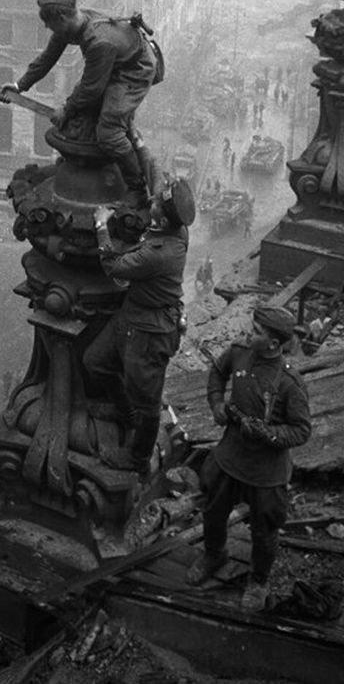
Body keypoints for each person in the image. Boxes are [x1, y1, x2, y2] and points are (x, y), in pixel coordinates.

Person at [186, 306, 311, 612]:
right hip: (229, 456)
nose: (247, 333)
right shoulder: (239, 352)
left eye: (256, 331)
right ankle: (215, 554)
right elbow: (217, 371)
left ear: (273, 343)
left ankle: (258, 580)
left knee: (264, 530)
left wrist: (268, 434)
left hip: (266, 471)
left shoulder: (289, 384)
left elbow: (301, 430)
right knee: (213, 511)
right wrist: (216, 403)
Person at [82, 177, 196, 476]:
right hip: (133, 316)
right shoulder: (175, 230)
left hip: (150, 331)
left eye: (156, 204)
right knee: (96, 361)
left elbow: (113, 267)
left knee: (148, 403)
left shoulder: (158, 253)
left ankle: (138, 458)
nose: (152, 204)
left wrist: (101, 225)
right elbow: (158, 194)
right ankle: (125, 413)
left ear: (161, 217)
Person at [0, 0, 158, 193]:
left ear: (62, 17)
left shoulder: (99, 41)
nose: (47, 28)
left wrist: (67, 109)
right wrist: (20, 85)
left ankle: (136, 185)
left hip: (133, 71)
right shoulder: (73, 24)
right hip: (114, 62)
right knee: (86, 113)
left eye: (49, 24)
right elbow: (48, 58)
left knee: (108, 131)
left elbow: (91, 89)